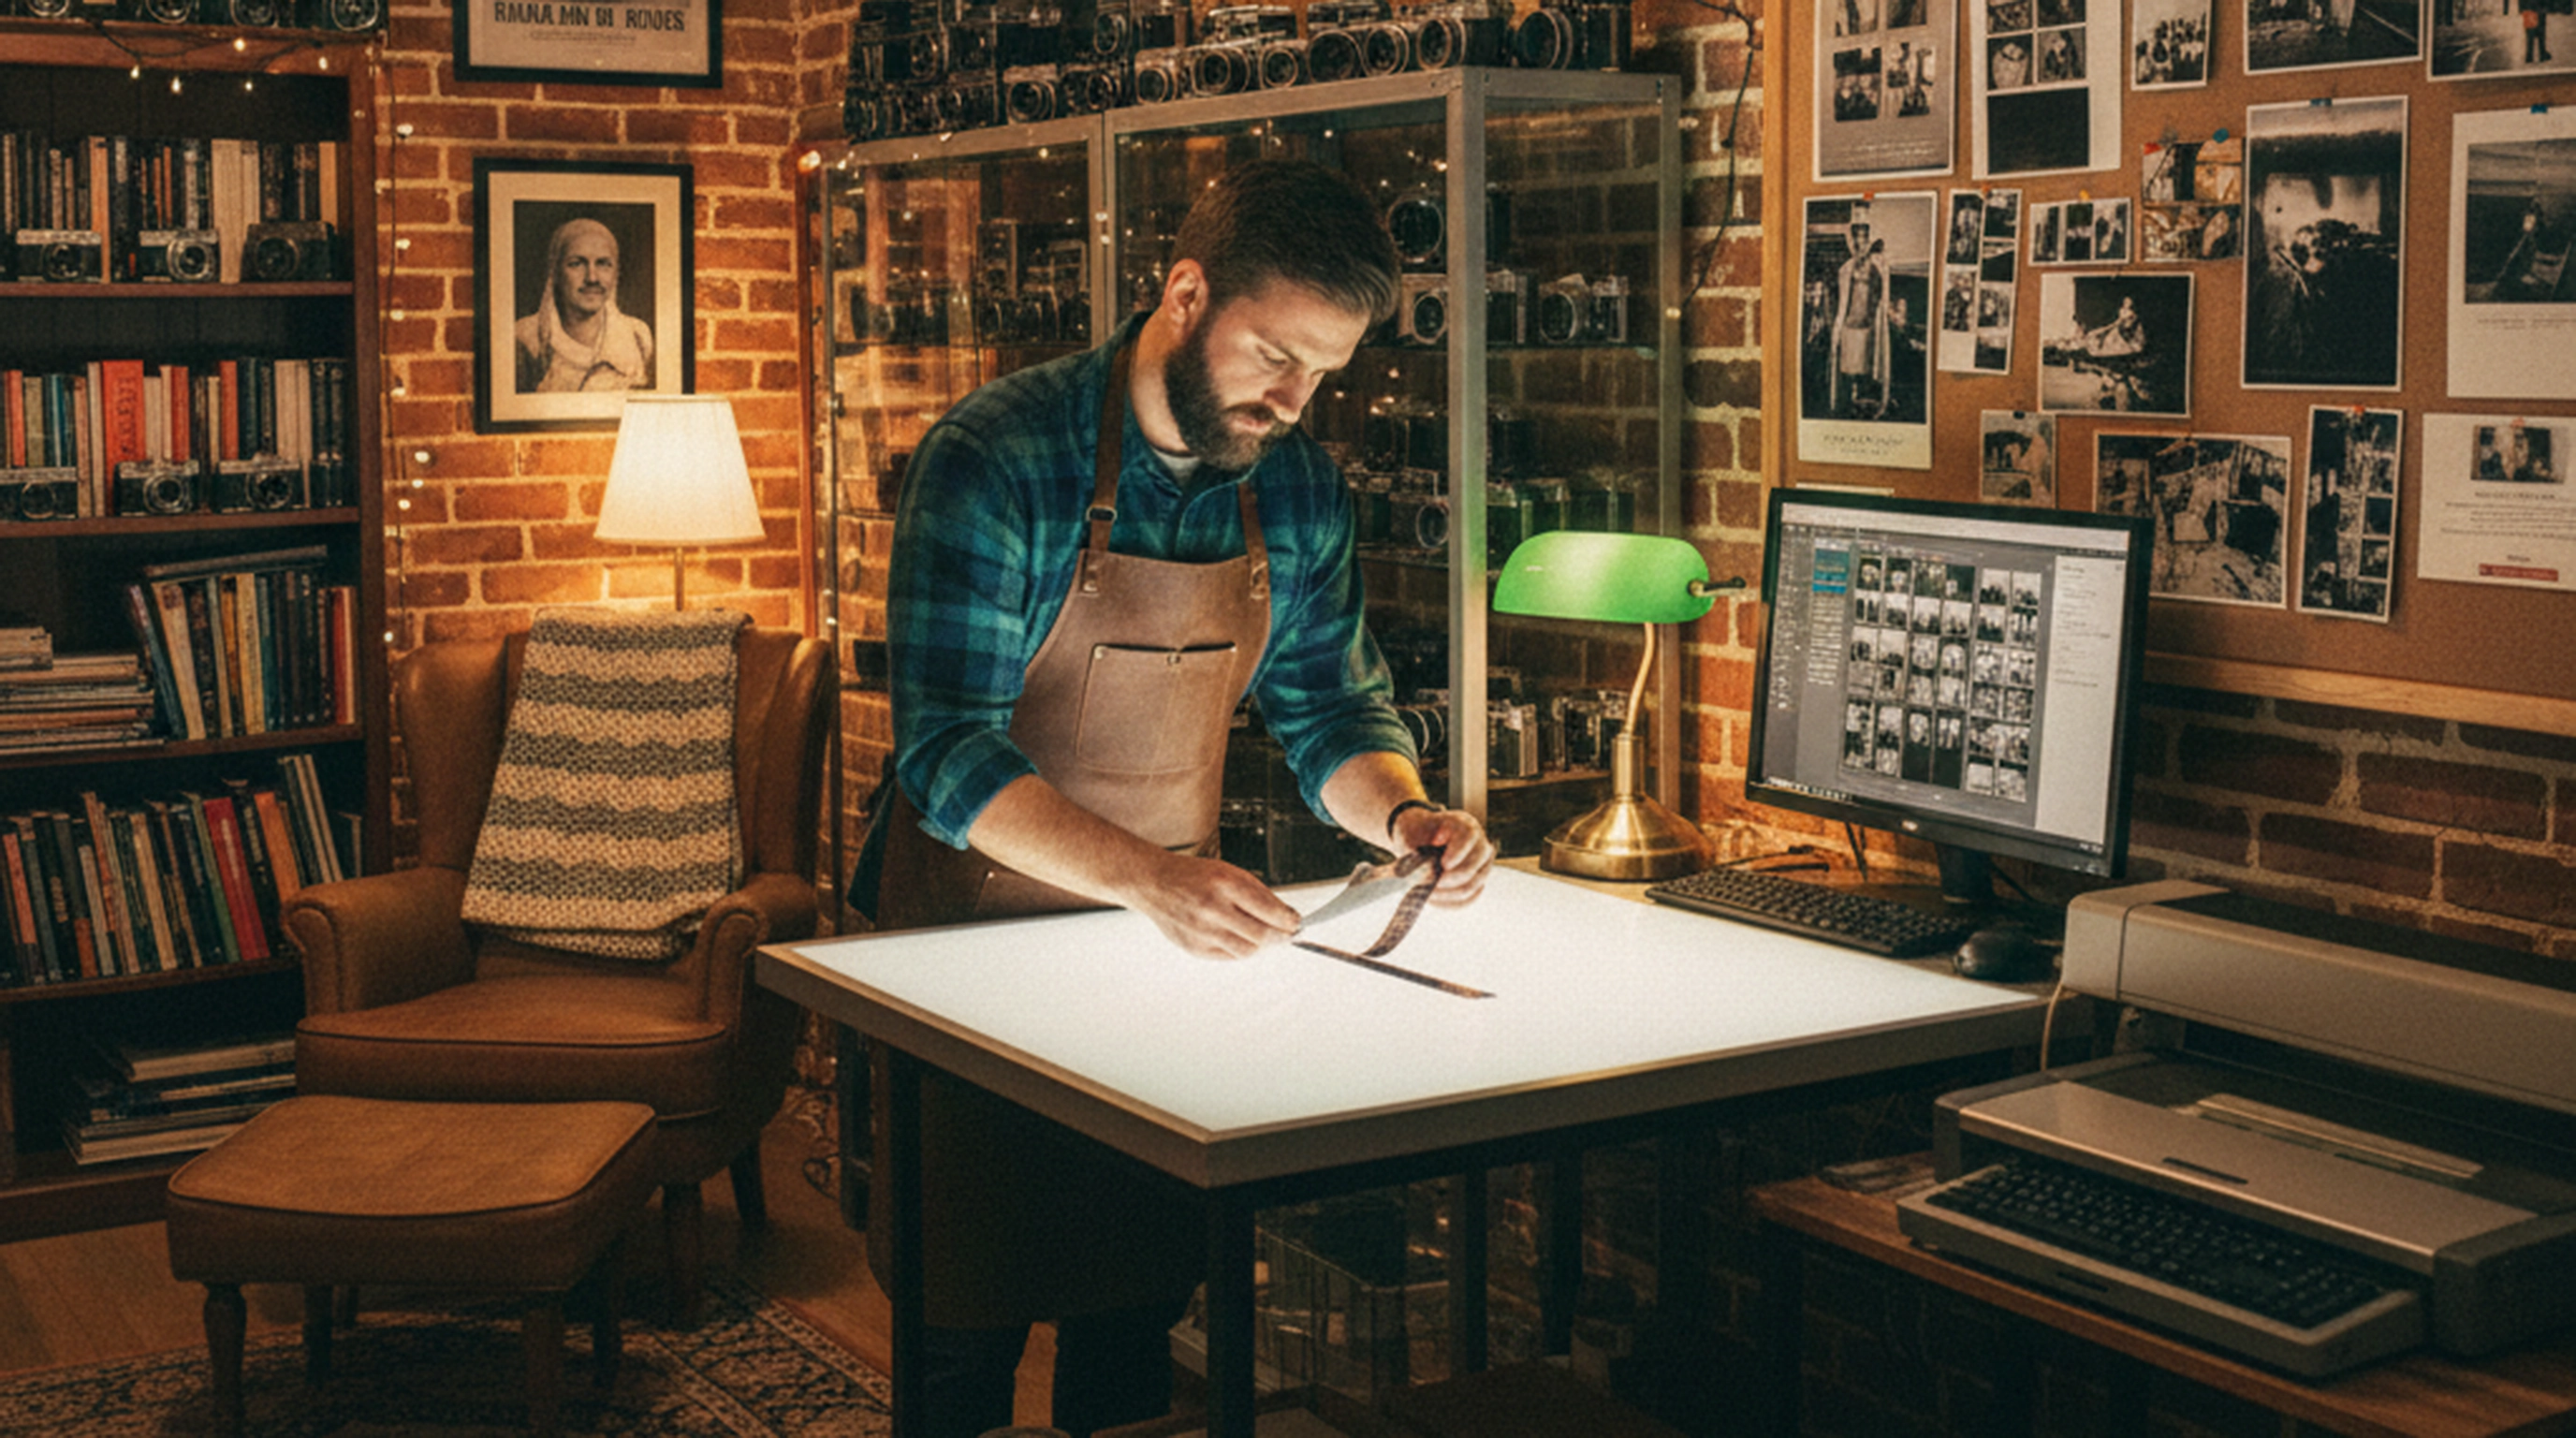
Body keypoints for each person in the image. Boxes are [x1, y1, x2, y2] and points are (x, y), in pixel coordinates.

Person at [852, 160, 1495, 1438]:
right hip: (964, 961)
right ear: (1186, 291)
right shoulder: (998, 457)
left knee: (1131, 1335)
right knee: (959, 1355)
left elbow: (1332, 709)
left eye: (1323, 372)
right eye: (1272, 354)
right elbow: (944, 757)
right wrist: (1149, 877)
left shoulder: (1296, 484)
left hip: (1158, 964)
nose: (1293, 399)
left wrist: (1402, 813)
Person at [513, 217, 654, 393]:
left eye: (603, 264)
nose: (592, 278)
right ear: (555, 272)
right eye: (577, 264)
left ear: (616, 273)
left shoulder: (638, 337)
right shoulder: (524, 339)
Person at [1832, 231, 1893, 418]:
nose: (1861, 248)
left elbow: (1881, 295)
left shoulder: (1878, 267)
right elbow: (1842, 299)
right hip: (1849, 325)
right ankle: (1849, 401)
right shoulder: (1846, 269)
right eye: (1857, 244)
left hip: (1869, 326)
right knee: (1849, 368)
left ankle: (1868, 402)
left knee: (1869, 365)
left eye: (1864, 243)